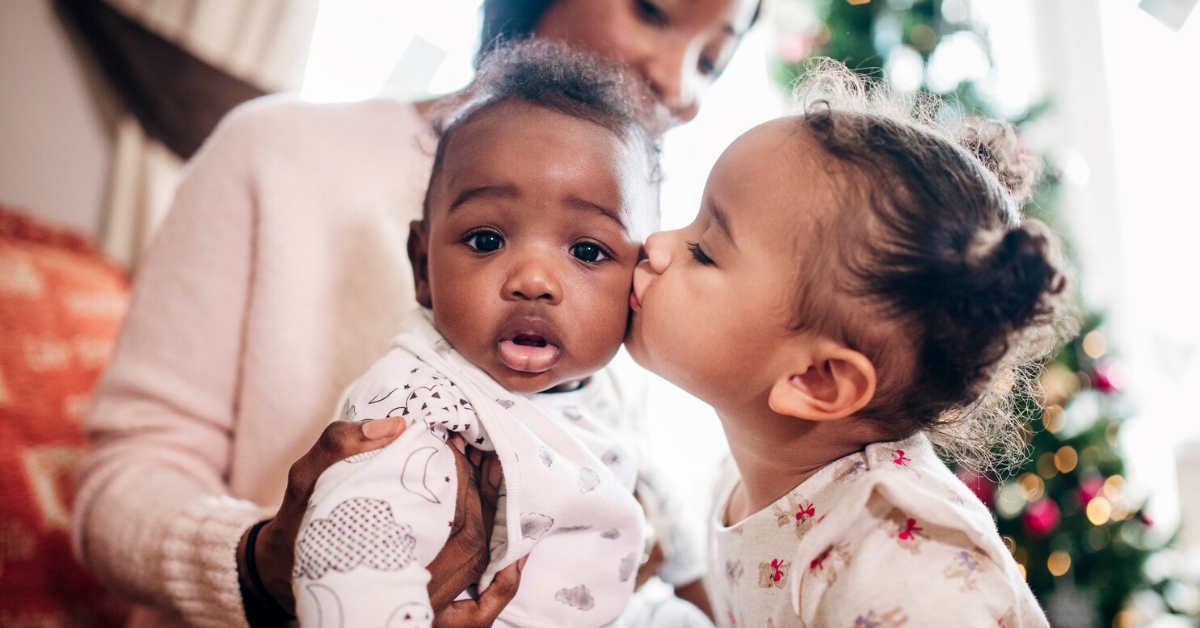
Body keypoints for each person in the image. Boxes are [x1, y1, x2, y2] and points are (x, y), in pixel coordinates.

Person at [72, 1, 760, 627]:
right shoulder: (273, 152)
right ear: (421, 262)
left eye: (712, 60)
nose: (680, 84)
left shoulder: (631, 254)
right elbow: (115, 489)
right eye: (654, 11)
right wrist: (262, 564)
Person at [623, 63, 1072, 626]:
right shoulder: (746, 474)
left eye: (705, 251)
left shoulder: (905, 572)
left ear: (818, 381)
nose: (657, 245)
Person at [292, 41, 712, 628]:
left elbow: (657, 491)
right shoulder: (425, 403)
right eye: (487, 240)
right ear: (422, 268)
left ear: (637, 281)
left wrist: (701, 595)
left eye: (588, 250)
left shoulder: (602, 385)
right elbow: (347, 555)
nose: (534, 280)